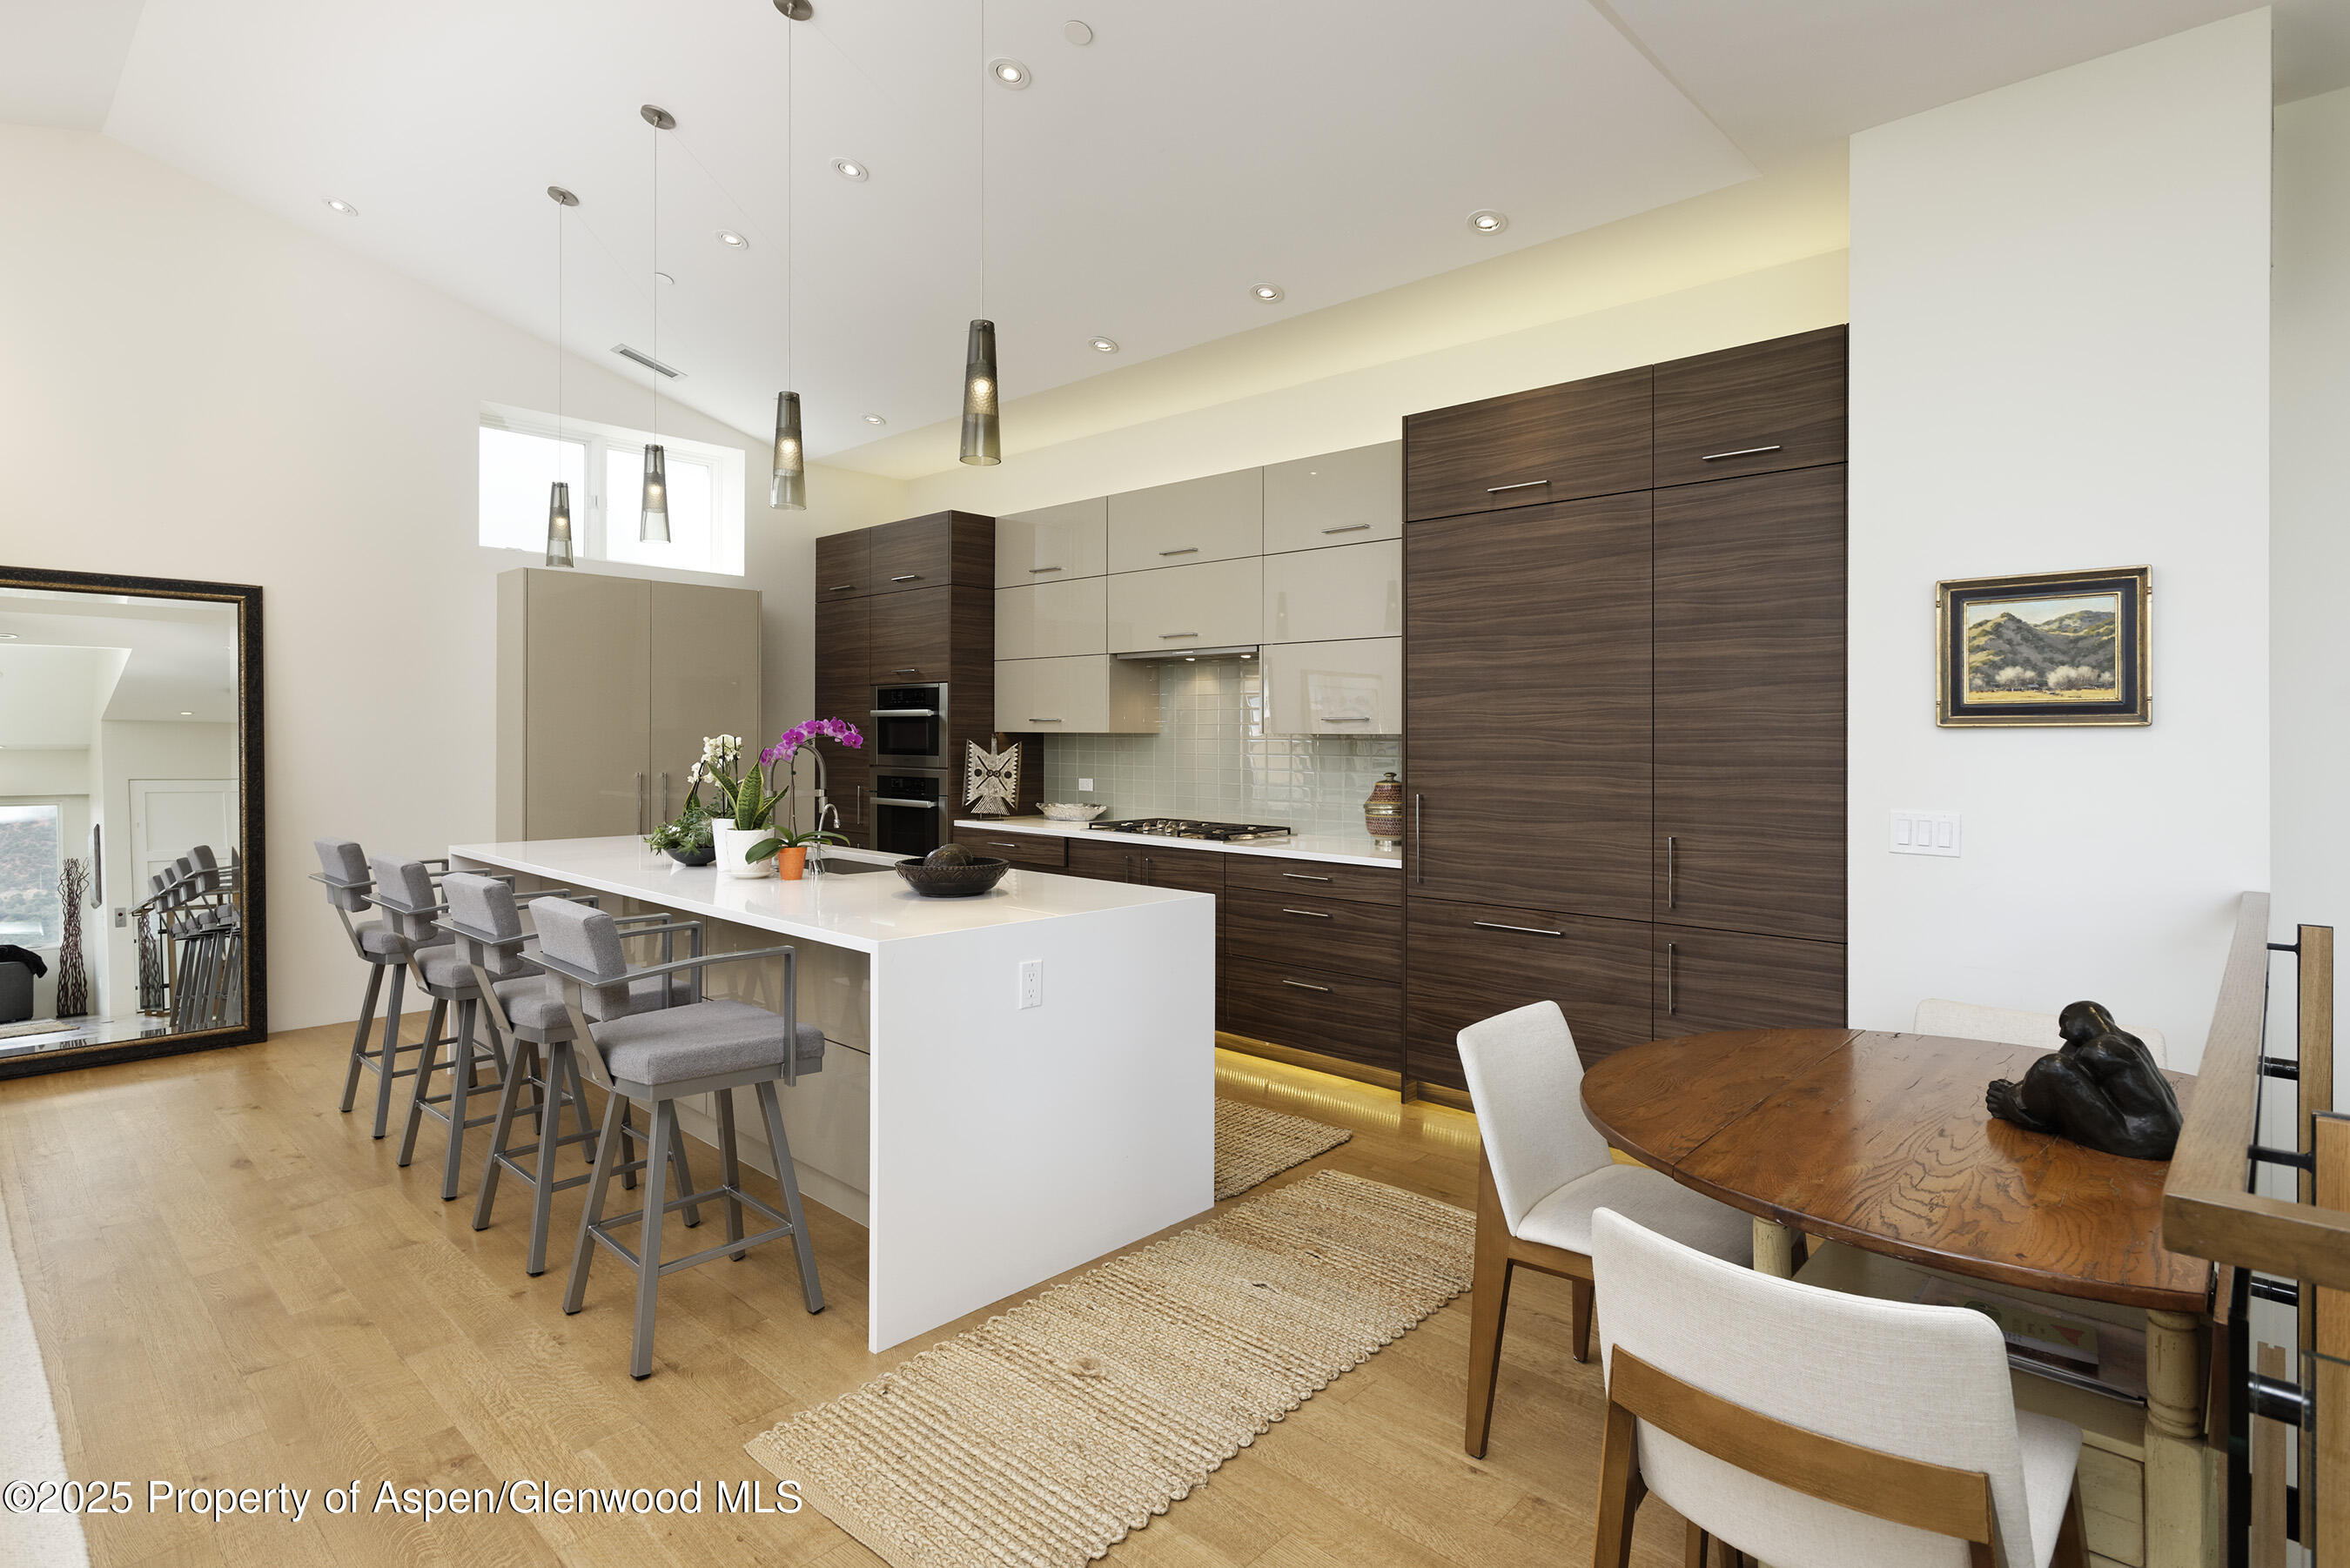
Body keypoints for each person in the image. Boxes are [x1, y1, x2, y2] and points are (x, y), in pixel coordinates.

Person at [1985, 1000, 2182, 1160]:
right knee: (2055, 1066)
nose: (2061, 1033)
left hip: (2141, 1140)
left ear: (2076, 1022)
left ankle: (2013, 1107)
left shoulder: (2100, 1050)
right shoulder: (2129, 1040)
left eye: (2064, 1025)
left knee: (2050, 1064)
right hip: (2170, 1135)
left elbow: (2050, 1077)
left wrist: (2011, 1097)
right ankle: (2015, 1102)